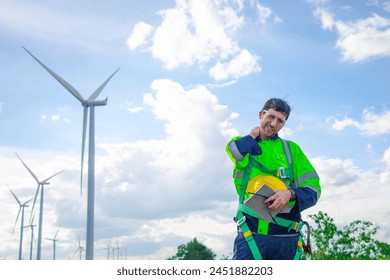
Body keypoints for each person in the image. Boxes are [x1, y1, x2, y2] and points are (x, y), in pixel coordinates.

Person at [226, 98, 321, 260]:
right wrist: (252, 136)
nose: (273, 123)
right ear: (261, 114)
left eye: (280, 121)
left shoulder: (292, 150)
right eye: (270, 116)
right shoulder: (241, 143)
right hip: (251, 235)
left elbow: (313, 190)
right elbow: (236, 152)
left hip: (286, 238)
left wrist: (289, 194)